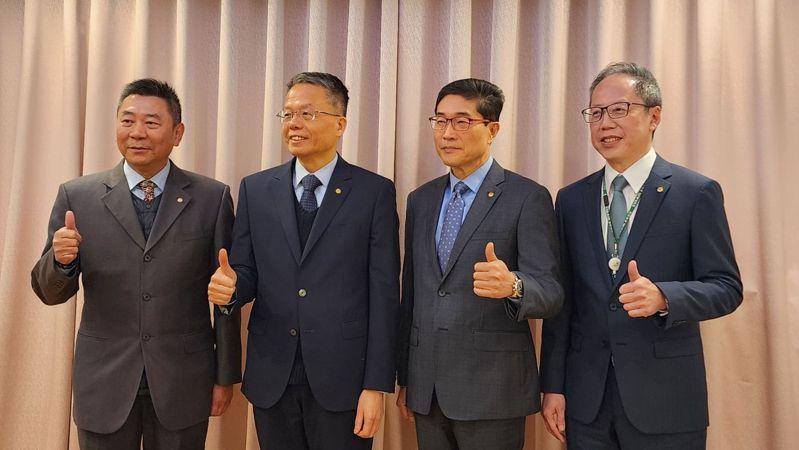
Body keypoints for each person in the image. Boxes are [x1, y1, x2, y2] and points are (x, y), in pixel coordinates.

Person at [540, 62, 743, 449]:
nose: (605, 123)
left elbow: (726, 287)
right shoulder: (571, 199)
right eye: (596, 112)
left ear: (654, 116)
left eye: (619, 109)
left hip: (665, 401)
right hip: (586, 402)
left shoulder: (695, 192)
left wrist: (665, 297)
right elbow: (563, 303)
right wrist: (553, 386)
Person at [31, 78, 241, 449]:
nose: (137, 132)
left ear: (177, 133)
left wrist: (225, 376)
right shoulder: (78, 196)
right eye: (127, 121)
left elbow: (225, 295)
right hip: (104, 381)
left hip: (184, 380)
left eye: (151, 122)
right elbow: (50, 293)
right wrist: (61, 261)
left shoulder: (212, 198)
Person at [207, 72, 400, 450]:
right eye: (288, 113)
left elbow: (384, 293)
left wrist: (376, 385)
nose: (294, 123)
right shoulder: (256, 189)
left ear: (340, 124)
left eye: (308, 114)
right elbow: (245, 271)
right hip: (272, 374)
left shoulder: (373, 192)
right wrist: (231, 288)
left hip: (344, 377)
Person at [395, 78, 564, 450]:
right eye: (440, 121)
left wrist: (514, 285)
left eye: (462, 121)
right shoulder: (421, 199)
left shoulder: (527, 197)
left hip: (492, 389)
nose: (447, 133)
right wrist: (407, 376)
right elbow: (414, 295)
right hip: (427, 388)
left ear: (492, 130)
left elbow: (552, 292)